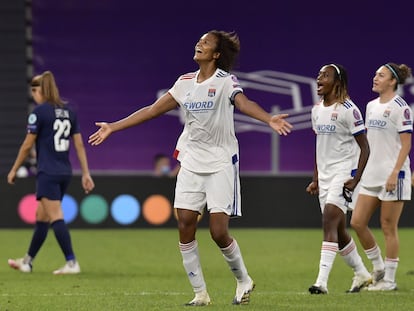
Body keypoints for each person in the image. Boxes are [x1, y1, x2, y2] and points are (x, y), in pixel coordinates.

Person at [88, 30, 292, 305]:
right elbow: (151, 110)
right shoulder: (184, 83)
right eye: (199, 41)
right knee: (185, 223)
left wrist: (268, 119)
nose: (199, 44)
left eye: (206, 43)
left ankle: (243, 279)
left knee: (218, 231)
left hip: (221, 161)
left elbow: (244, 103)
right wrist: (114, 126)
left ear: (216, 54)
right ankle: (200, 293)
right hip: (191, 161)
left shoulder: (225, 81)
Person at [7, 71, 95, 274]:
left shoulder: (39, 112)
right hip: (64, 172)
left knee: (55, 216)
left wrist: (14, 169)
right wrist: (85, 173)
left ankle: (72, 263)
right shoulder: (69, 111)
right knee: (42, 216)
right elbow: (79, 144)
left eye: (34, 90)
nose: (33, 94)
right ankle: (27, 261)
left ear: (42, 90)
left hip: (48, 172)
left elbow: (27, 144)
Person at [306, 64, 372, 294]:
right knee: (339, 231)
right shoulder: (316, 110)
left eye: (325, 75)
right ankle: (362, 273)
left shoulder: (348, 110)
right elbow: (319, 147)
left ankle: (321, 282)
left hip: (344, 174)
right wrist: (315, 178)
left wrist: (356, 179)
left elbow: (365, 148)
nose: (319, 78)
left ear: (337, 82)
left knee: (328, 221)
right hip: (324, 177)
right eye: (319, 75)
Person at [350, 63, 413, 291]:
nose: (375, 77)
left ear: (393, 81)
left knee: (388, 227)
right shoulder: (370, 106)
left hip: (392, 176)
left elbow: (406, 145)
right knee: (357, 222)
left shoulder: (401, 108)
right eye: (375, 73)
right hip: (371, 175)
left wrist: (395, 173)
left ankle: (390, 281)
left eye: (381, 75)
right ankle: (378, 268)